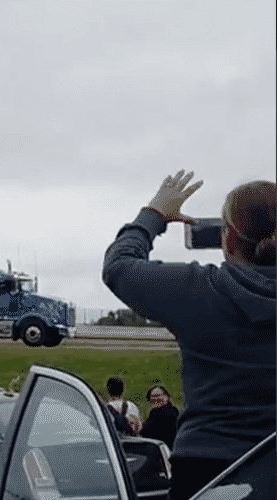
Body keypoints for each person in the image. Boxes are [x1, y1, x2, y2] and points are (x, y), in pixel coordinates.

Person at [103, 171, 275, 499]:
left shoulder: (198, 290)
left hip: (209, 468)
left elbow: (119, 266)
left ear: (228, 240)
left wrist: (153, 215)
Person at [140, 385, 179, 449]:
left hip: (161, 449)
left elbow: (148, 431)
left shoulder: (161, 413)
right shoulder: (173, 410)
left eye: (158, 395)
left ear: (166, 397)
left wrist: (141, 426)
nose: (156, 398)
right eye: (152, 396)